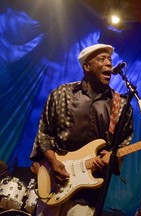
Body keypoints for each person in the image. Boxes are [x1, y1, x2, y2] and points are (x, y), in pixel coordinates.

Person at [29, 43, 133, 216]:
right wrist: (53, 162)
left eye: (109, 59)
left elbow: (123, 142)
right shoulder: (62, 94)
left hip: (89, 194)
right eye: (101, 59)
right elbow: (44, 133)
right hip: (55, 183)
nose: (108, 63)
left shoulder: (121, 105)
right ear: (87, 66)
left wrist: (110, 156)